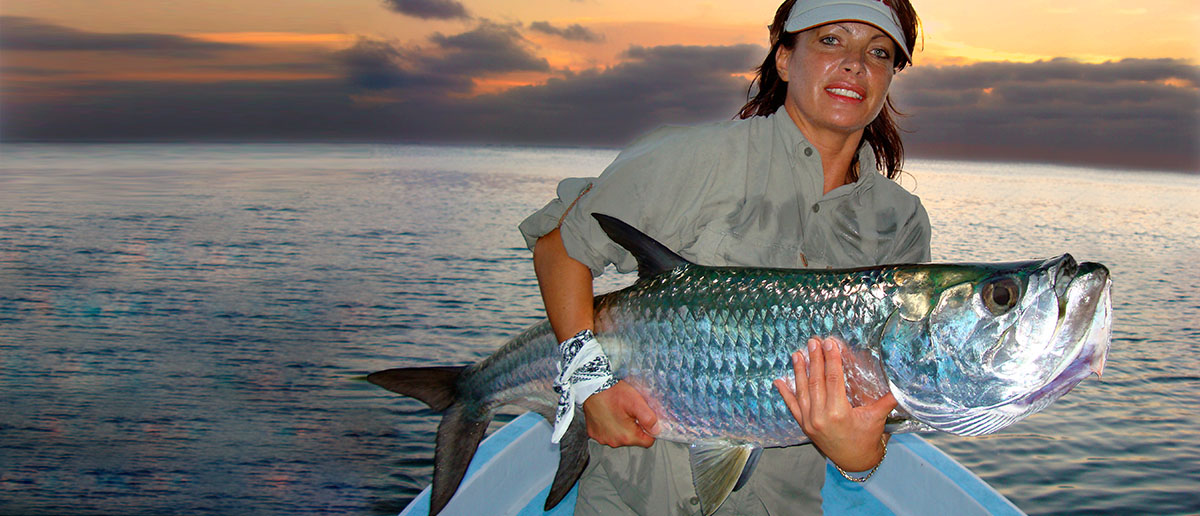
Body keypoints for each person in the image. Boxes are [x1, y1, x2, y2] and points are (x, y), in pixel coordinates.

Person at [518, 0, 928, 513]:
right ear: (783, 57)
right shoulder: (693, 158)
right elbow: (561, 252)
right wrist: (590, 383)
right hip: (634, 497)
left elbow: (887, 409)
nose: (855, 64)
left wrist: (858, 455)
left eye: (879, 51)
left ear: (890, 76)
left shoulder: (900, 221)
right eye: (830, 40)